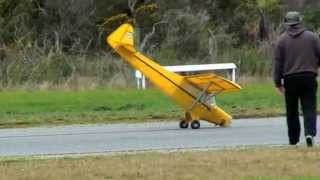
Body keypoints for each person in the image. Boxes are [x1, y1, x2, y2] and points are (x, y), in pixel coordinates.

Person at [273, 11, 320, 147]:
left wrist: (277, 82)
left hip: (290, 78)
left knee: (292, 110)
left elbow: (278, 63)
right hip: (309, 76)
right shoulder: (312, 37)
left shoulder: (281, 40)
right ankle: (309, 134)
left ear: (286, 23)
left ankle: (293, 140)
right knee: (309, 107)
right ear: (300, 21)